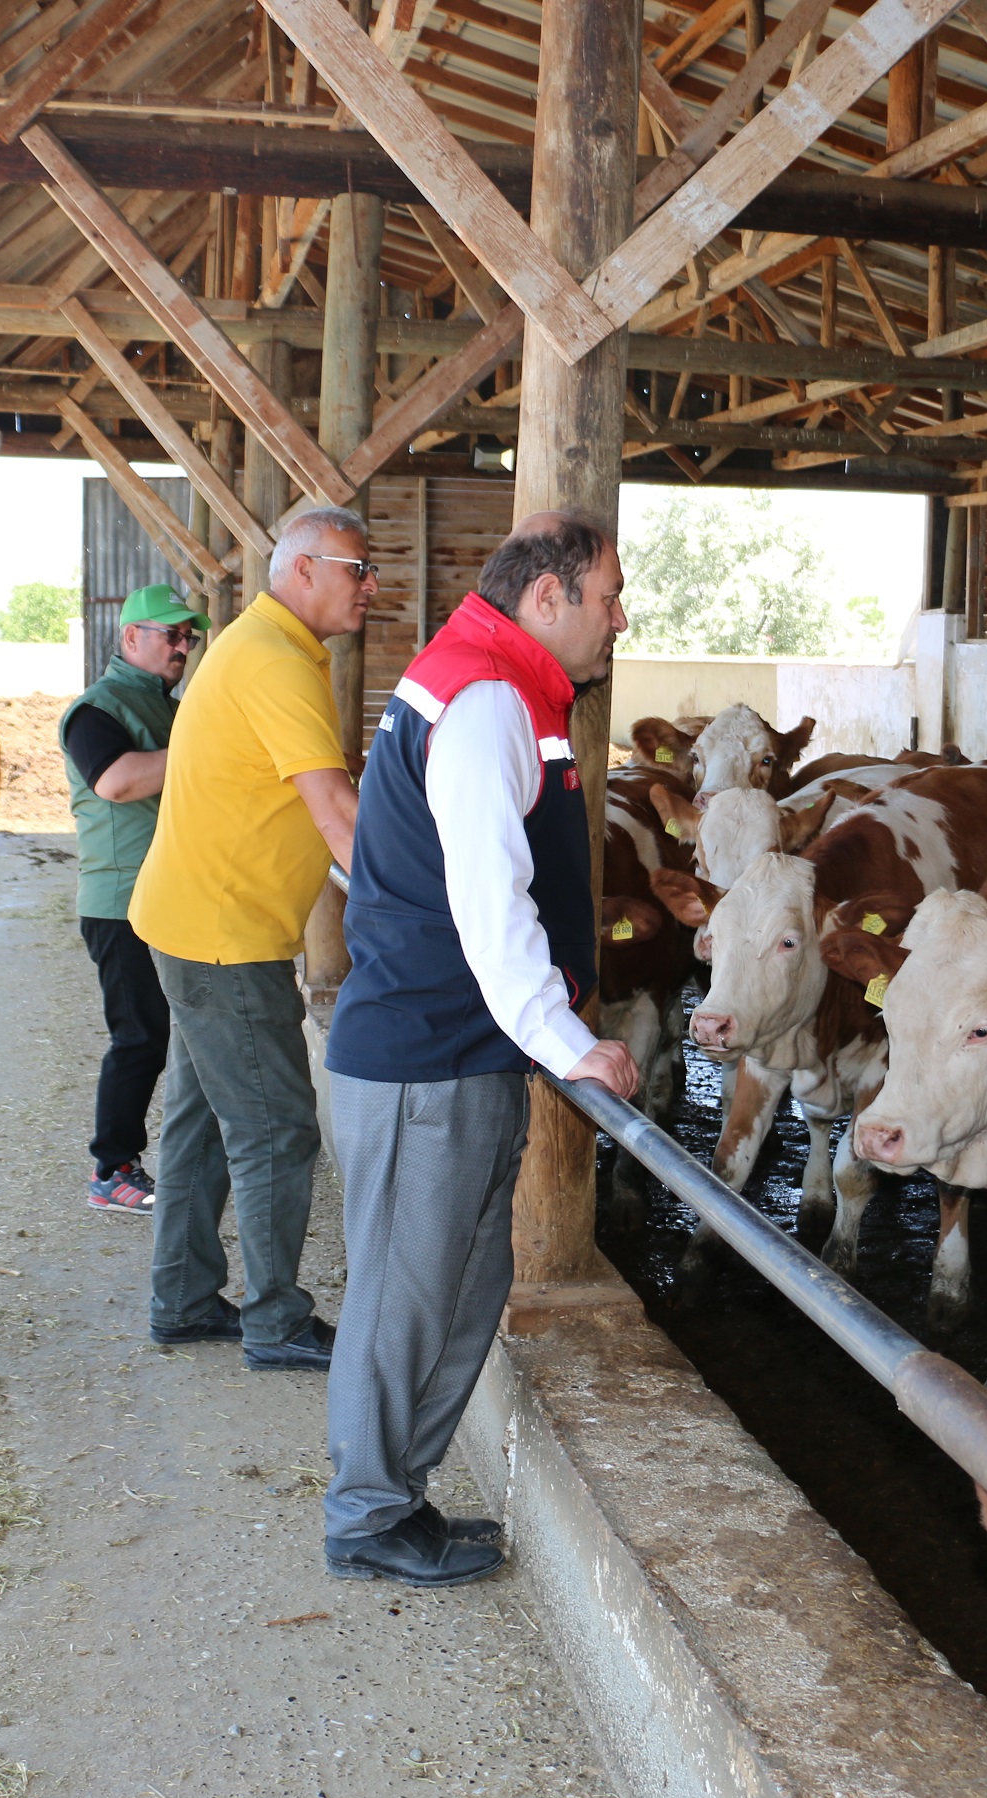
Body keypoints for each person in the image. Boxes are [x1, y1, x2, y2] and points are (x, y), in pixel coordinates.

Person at [319, 510, 641, 1588]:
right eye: (608, 594)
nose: (620, 618)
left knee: (459, 1280)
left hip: (455, 1053)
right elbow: (489, 899)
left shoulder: (499, 687)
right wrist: (567, 1041)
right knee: (408, 1295)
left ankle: (394, 1497)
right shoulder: (487, 697)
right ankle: (367, 1513)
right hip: (429, 1058)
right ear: (545, 597)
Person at [125, 507, 372, 1369]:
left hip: (198, 922)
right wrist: (423, 912)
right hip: (226, 937)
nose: (370, 587)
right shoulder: (273, 662)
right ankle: (274, 1322)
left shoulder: (264, 644)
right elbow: (335, 809)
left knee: (200, 1122)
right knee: (275, 1129)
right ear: (303, 568)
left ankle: (184, 1299)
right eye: (358, 570)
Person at [57, 583, 208, 1214]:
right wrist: (207, 748)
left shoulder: (168, 707)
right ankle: (109, 1167)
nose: (182, 646)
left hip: (167, 895)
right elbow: (117, 780)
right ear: (130, 638)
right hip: (121, 899)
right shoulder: (97, 710)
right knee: (140, 1034)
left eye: (188, 637)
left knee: (168, 1032)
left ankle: (171, 1154)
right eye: (170, 634)